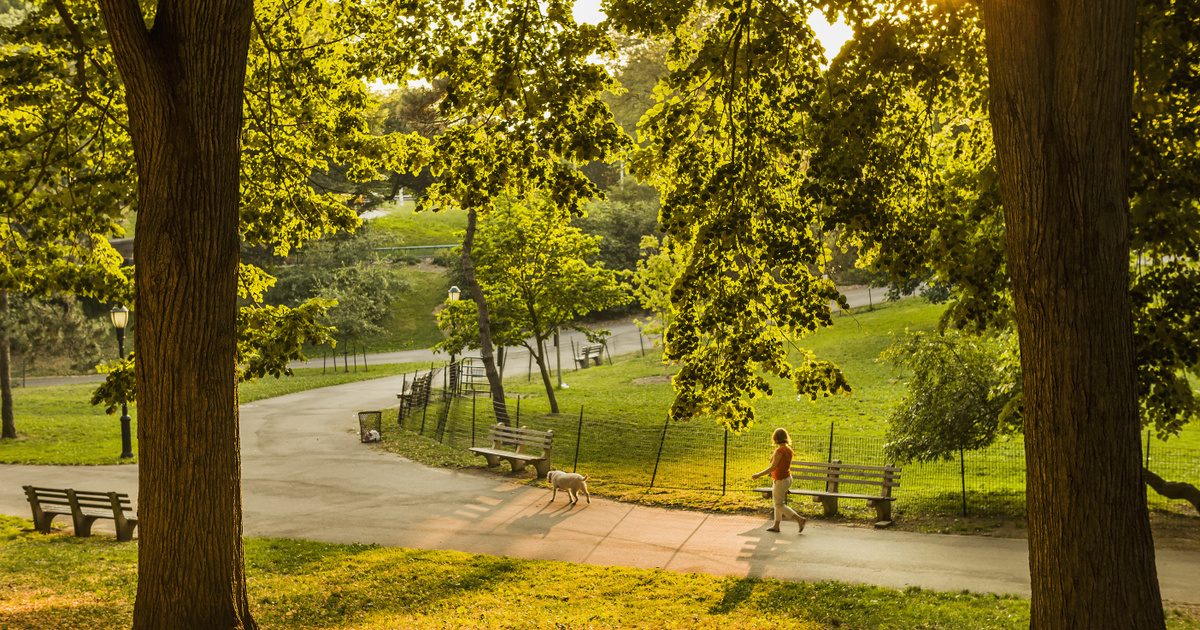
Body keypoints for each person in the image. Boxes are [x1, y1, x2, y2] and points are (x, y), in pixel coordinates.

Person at [751, 427, 806, 533]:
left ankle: (800, 519)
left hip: (781, 480)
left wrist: (758, 474)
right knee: (777, 503)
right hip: (786, 478)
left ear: (775, 438)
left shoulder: (780, 450)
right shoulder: (789, 449)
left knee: (779, 505)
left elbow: (773, 467)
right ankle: (776, 525)